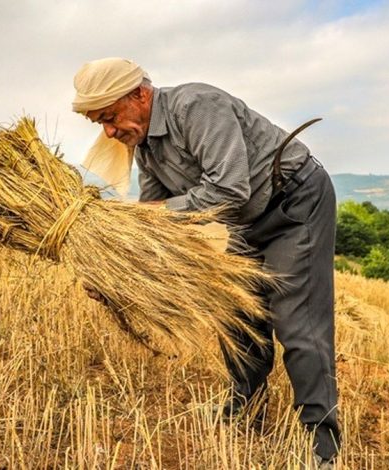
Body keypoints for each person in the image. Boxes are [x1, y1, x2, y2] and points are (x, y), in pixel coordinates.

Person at [73, 57, 339, 467]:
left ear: (139, 95)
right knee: (237, 316)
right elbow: (156, 221)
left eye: (110, 117)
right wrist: (115, 267)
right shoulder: (147, 147)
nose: (109, 132)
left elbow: (228, 188)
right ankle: (243, 411)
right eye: (100, 124)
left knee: (298, 322)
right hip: (244, 219)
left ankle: (321, 444)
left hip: (293, 203)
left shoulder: (197, 106)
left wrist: (155, 215)